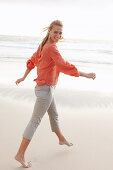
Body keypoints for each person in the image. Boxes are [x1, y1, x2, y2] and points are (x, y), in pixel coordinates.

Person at [14, 20, 96, 168]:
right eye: (55, 32)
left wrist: (23, 77)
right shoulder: (50, 48)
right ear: (49, 31)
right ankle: (20, 154)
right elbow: (65, 66)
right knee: (35, 121)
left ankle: (61, 139)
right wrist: (86, 74)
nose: (58, 35)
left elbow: (31, 62)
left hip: (46, 89)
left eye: (60, 33)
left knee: (54, 114)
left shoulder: (43, 45)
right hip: (45, 90)